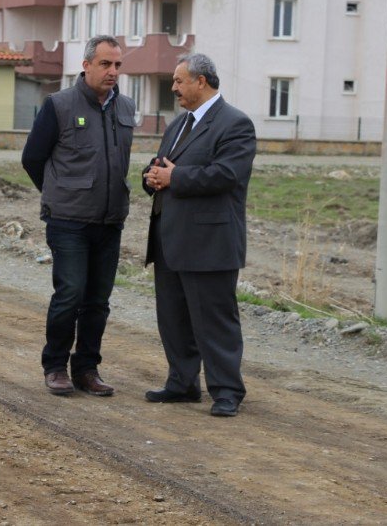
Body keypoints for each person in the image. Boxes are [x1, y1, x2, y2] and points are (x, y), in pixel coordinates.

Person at [141, 52, 256, 417]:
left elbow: (226, 175)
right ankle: (182, 383)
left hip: (210, 242)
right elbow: (164, 165)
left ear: (200, 82)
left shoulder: (235, 124)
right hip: (171, 238)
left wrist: (175, 177)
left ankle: (226, 391)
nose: (173, 87)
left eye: (178, 81)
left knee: (214, 321)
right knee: (173, 317)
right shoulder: (178, 124)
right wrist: (153, 175)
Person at [22, 35, 135, 397]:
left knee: (97, 301)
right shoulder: (59, 105)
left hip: (109, 220)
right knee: (70, 293)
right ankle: (55, 365)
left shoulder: (126, 108)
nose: (112, 71)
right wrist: (59, 193)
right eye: (105, 64)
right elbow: (32, 158)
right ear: (86, 65)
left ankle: (87, 369)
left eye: (117, 64)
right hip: (68, 221)